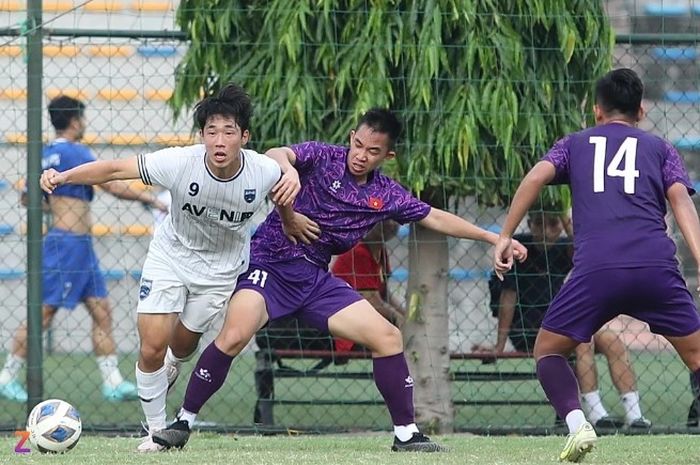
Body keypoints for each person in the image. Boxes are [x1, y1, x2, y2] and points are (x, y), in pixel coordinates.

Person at [152, 108, 528, 452]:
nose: (361, 154)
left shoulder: (384, 194)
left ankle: (406, 434)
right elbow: (275, 154)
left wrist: (495, 238)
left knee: (388, 337)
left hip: (315, 279)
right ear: (351, 137)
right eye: (358, 144)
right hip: (269, 265)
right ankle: (184, 422)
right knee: (234, 336)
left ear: (387, 156)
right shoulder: (322, 157)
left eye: (373, 151)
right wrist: (288, 173)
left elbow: (435, 217)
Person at [39, 84, 300, 452]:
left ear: (245, 136)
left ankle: (174, 365)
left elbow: (284, 193)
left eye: (228, 132)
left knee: (181, 346)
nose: (219, 140)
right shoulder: (180, 162)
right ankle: (158, 432)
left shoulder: (263, 171)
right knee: (151, 349)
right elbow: (115, 168)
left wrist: (290, 217)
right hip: (171, 258)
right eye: (211, 131)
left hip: (220, 273)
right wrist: (62, 177)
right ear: (202, 135)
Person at [493, 68, 700, 462]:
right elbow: (681, 201)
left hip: (596, 270)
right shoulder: (660, 148)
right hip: (654, 266)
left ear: (596, 111)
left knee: (548, 351)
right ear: (641, 111)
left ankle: (577, 424)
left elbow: (536, 176)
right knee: (697, 357)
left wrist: (505, 234)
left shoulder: (574, 144)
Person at [0, 96, 167, 404]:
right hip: (68, 243)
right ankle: (7, 376)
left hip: (74, 243)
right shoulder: (74, 151)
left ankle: (112, 381)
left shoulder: (46, 155)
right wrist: (152, 200)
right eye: (83, 119)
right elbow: (112, 184)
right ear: (75, 121)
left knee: (101, 310)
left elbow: (26, 199)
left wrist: (56, 204)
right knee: (44, 312)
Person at [475, 210, 650, 429]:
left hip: (566, 322)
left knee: (611, 340)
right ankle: (595, 414)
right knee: (582, 340)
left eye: (553, 224)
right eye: (539, 224)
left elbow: (583, 253)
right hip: (530, 329)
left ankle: (635, 415)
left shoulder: (564, 248)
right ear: (530, 224)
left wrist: (567, 222)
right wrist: (499, 345)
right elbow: (507, 300)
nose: (546, 231)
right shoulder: (520, 251)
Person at [331, 219, 405, 354]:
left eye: (396, 220)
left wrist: (405, 315)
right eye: (384, 220)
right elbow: (372, 302)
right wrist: (399, 318)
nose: (391, 224)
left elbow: (384, 294)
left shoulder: (381, 251)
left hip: (364, 320)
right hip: (348, 325)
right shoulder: (358, 251)